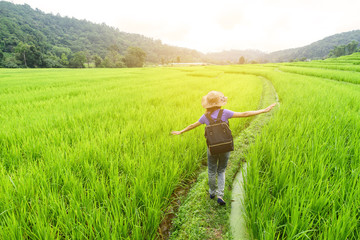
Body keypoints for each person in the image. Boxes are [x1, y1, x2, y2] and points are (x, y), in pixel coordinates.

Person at [171, 91, 276, 205]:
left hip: (212, 148)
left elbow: (192, 125)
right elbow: (244, 114)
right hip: (225, 146)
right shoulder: (224, 113)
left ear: (208, 104)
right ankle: (220, 195)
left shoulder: (205, 117)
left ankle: (212, 192)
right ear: (219, 103)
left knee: (211, 170)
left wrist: (181, 131)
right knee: (221, 170)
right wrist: (263, 110)